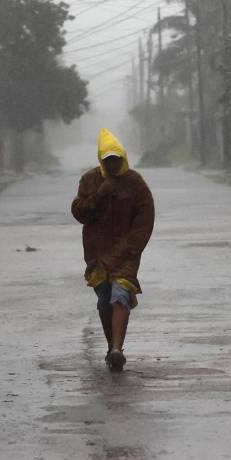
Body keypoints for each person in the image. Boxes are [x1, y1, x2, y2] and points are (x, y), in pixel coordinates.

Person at [70, 128, 155, 372]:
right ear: (101, 160)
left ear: (123, 158)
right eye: (108, 160)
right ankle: (111, 347)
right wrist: (98, 196)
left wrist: (132, 248)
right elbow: (79, 213)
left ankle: (118, 349)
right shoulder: (89, 181)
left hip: (126, 254)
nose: (113, 164)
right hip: (98, 255)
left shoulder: (135, 183)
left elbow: (144, 219)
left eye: (116, 159)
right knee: (104, 302)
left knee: (121, 296)